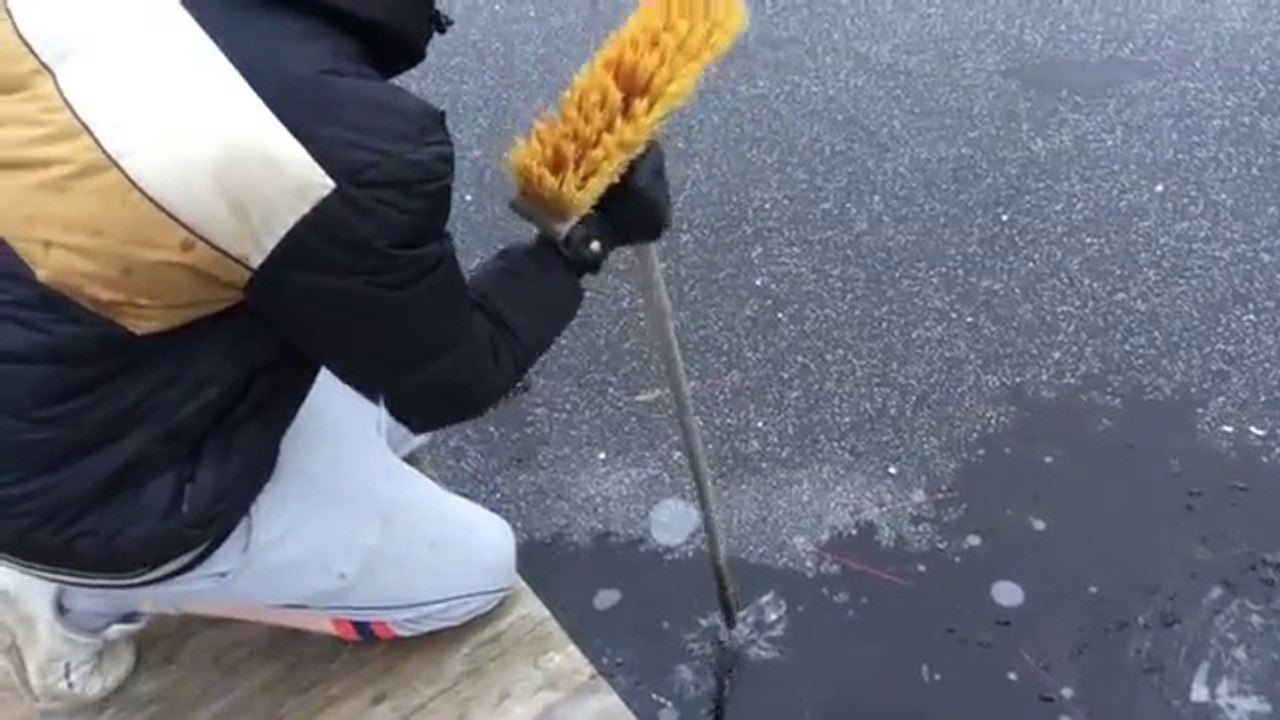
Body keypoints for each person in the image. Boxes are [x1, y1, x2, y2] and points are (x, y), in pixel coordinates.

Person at [0, 0, 671, 710]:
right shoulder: (333, 144)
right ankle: (72, 599)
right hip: (82, 494)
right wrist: (583, 240)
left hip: (88, 360)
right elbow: (454, 376)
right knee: (475, 568)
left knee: (377, 390)